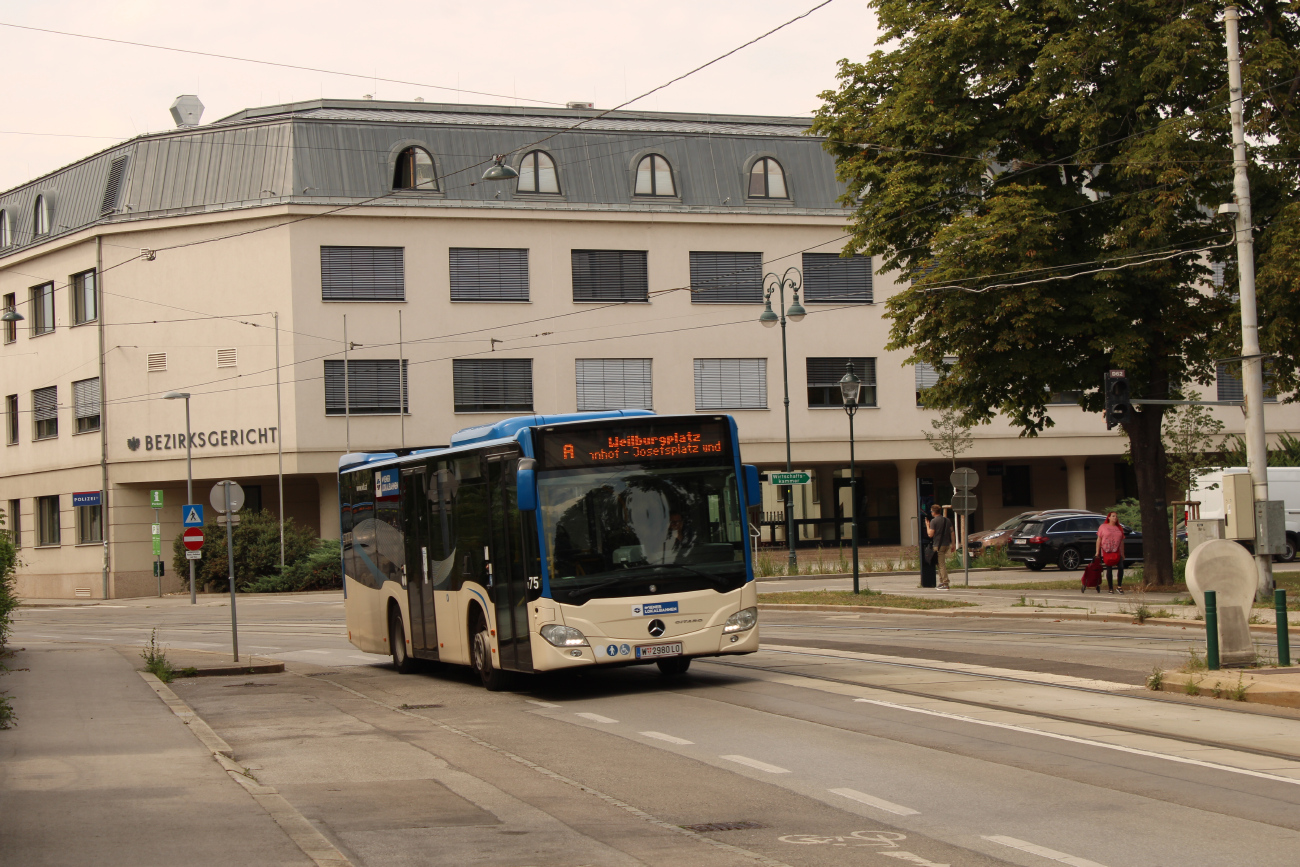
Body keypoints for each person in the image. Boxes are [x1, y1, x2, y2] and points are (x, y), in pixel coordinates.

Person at [1096, 511, 1126, 594]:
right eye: (1113, 516)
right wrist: (1097, 552)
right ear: (1108, 517)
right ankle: (1110, 588)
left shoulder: (1119, 528)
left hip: (1117, 550)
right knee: (1109, 568)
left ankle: (1119, 586)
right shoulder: (1103, 527)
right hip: (1107, 550)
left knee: (1121, 567)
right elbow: (1099, 539)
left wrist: (1122, 553)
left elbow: (1122, 541)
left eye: (1116, 516)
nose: (1115, 518)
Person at [927, 504, 954, 590]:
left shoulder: (933, 521)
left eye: (931, 511)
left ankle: (945, 583)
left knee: (941, 564)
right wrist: (953, 544)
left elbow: (930, 534)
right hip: (946, 544)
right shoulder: (947, 520)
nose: (931, 513)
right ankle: (942, 582)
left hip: (938, 545)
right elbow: (952, 532)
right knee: (939, 563)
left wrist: (927, 525)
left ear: (934, 512)